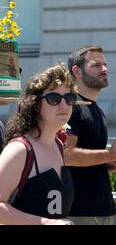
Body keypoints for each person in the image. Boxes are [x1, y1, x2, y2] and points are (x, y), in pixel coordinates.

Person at [0, 64, 75, 225]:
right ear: (35, 104)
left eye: (70, 98)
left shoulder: (58, 144)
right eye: (54, 99)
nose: (64, 105)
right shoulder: (19, 149)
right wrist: (46, 223)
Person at [65, 46, 116, 225]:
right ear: (77, 71)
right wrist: (110, 154)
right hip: (81, 211)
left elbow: (92, 161)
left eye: (105, 64)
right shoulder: (69, 107)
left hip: (104, 209)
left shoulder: (97, 109)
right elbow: (67, 156)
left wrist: (110, 164)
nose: (104, 69)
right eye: (96, 65)